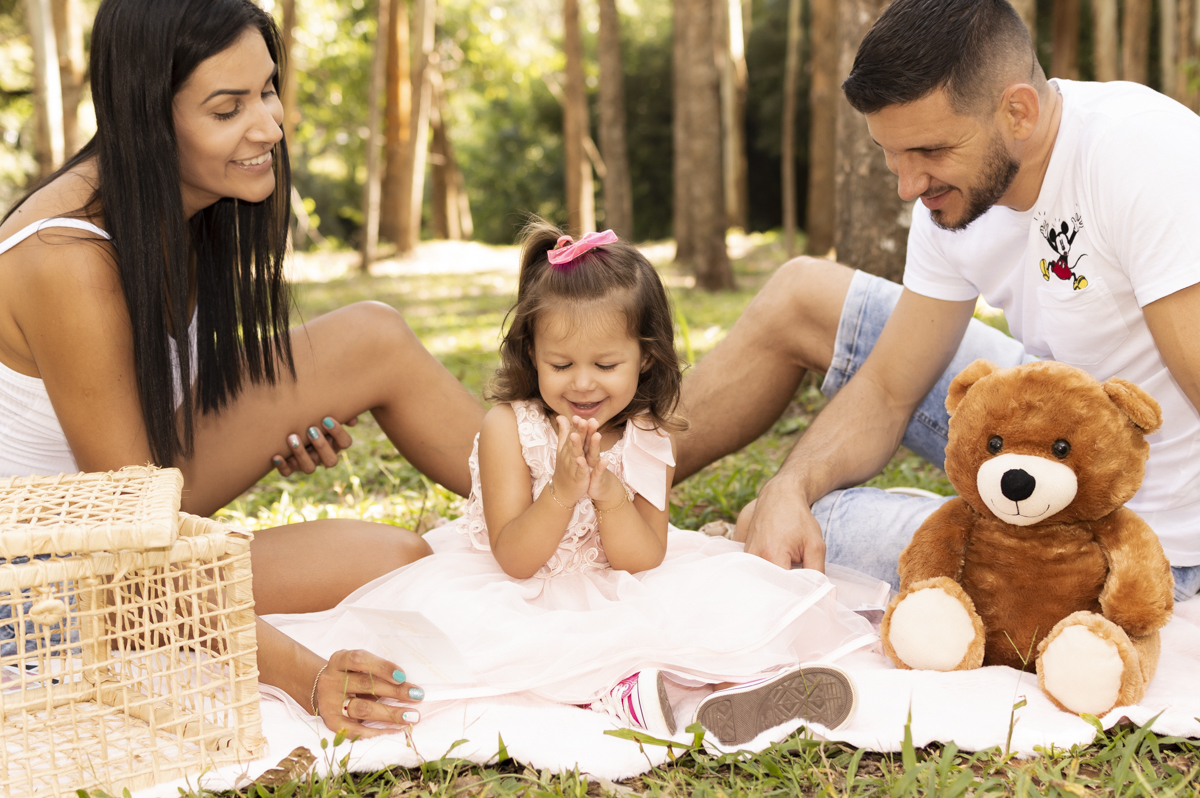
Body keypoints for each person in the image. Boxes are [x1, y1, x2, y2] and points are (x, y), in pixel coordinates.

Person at [0, 0, 485, 735]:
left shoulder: (189, 203)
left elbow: (153, 426)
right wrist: (308, 676)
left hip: (118, 495)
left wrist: (271, 433)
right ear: (147, 118)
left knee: (371, 335)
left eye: (266, 89)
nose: (268, 125)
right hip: (39, 584)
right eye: (227, 109)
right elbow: (135, 542)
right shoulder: (66, 260)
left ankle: (570, 514)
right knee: (390, 555)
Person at [269, 222, 873, 751]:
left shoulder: (646, 435)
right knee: (539, 655)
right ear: (532, 354)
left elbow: (645, 556)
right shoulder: (510, 429)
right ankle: (636, 697)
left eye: (606, 365)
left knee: (716, 614)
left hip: (621, 582)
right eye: (561, 365)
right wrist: (560, 490)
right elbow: (515, 558)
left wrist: (609, 494)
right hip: (523, 591)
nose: (583, 383)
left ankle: (745, 690)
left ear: (645, 358)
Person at [673, 0, 1200, 602]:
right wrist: (789, 484)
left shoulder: (1140, 156)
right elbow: (889, 388)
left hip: (1144, 537)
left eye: (928, 152)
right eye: (891, 155)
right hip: (1041, 424)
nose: (907, 185)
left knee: (807, 534)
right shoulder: (952, 195)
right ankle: (602, 493)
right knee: (801, 295)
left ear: (1018, 111)